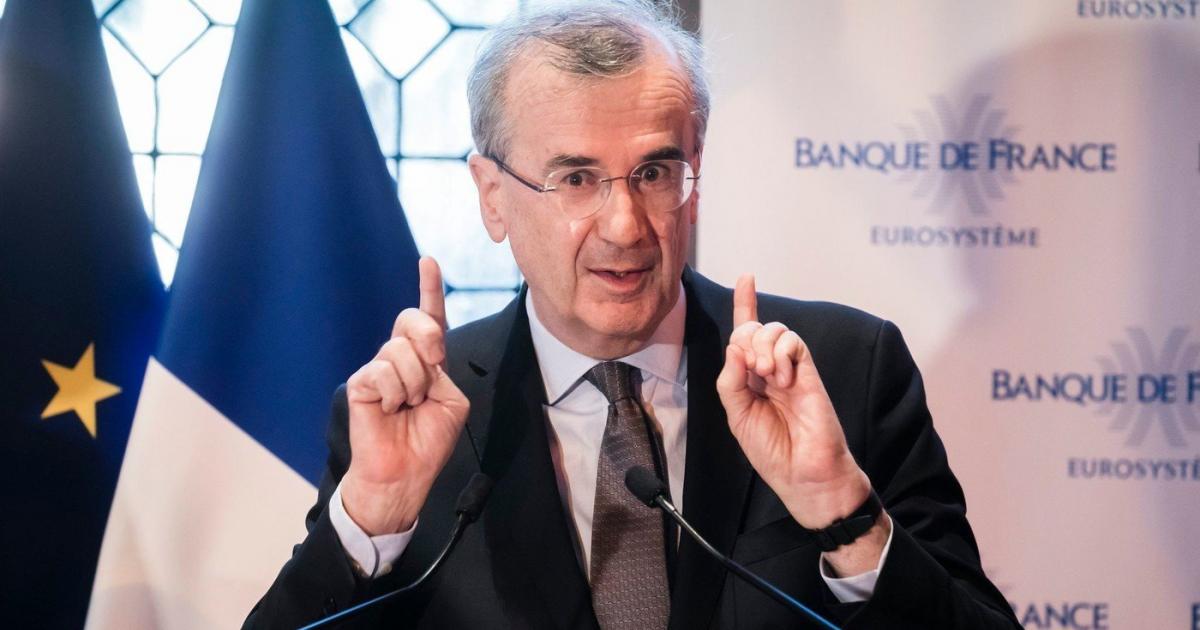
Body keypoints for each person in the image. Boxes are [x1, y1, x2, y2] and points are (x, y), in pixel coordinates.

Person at [246, 2, 1019, 628]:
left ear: (696, 172)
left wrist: (844, 514)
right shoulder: (412, 415)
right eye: (576, 178)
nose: (625, 226)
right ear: (492, 196)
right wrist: (370, 524)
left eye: (654, 172)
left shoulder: (846, 372)